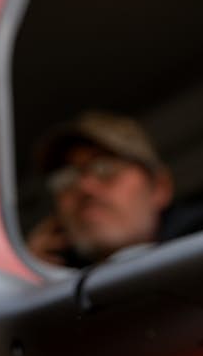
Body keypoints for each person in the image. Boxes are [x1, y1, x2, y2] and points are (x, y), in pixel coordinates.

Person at [26, 111, 174, 267]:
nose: (84, 187)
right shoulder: (42, 278)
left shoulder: (201, 249)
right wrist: (27, 277)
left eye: (105, 169)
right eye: (65, 179)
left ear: (159, 188)